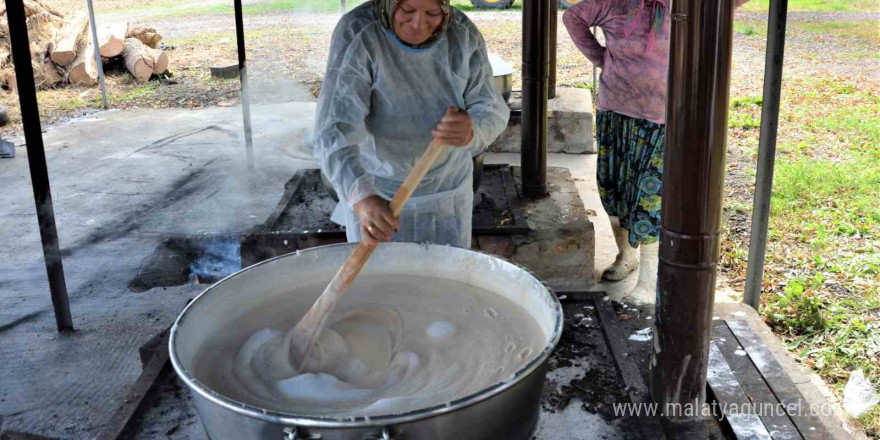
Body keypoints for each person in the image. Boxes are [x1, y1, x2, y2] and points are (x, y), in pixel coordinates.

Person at [564, 0, 748, 300]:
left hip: (664, 118)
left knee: (650, 198)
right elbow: (573, 17)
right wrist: (600, 58)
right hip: (616, 109)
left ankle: (649, 283)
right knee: (613, 191)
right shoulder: (612, 2)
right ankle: (626, 256)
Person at [315, 0, 510, 249]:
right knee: (376, 282)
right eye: (407, 10)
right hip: (378, 191)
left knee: (447, 279)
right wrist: (361, 197)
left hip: (447, 191)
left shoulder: (462, 34)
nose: (419, 24)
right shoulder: (359, 32)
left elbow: (491, 108)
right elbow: (334, 128)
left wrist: (472, 129)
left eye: (432, 12)